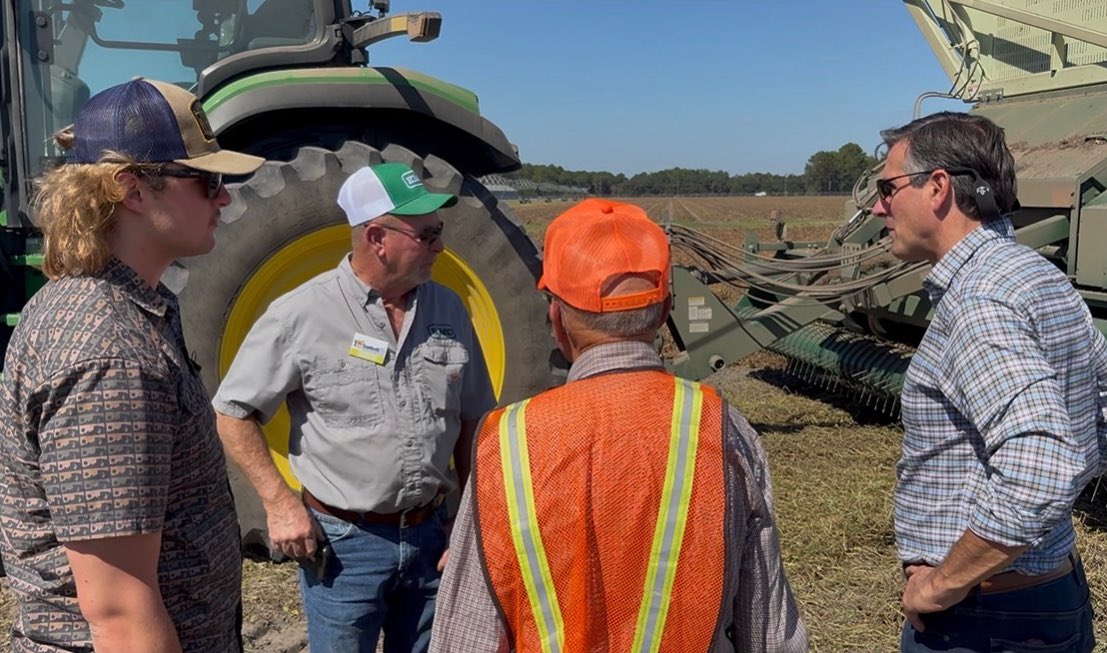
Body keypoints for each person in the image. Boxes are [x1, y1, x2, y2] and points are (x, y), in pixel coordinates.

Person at [429, 198, 807, 653]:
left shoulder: (508, 444)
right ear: (665, 310)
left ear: (557, 317)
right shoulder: (724, 430)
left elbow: (466, 638)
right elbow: (770, 634)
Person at [0, 77, 264, 653]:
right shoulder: (109, 351)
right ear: (132, 189)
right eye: (207, 180)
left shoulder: (127, 304)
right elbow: (120, 613)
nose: (223, 197)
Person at [212, 162, 496, 653]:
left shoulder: (449, 309)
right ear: (376, 238)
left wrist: (467, 521)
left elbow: (475, 421)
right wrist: (280, 504)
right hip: (346, 546)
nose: (440, 247)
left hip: (432, 536)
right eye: (426, 235)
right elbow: (233, 411)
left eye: (438, 232)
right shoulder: (301, 313)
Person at [872, 111, 1105, 652]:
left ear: (938, 188)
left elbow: (1039, 468)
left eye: (888, 187)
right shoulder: (1037, 273)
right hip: (1048, 597)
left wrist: (939, 585)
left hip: (987, 618)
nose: (880, 207)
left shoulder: (980, 301)